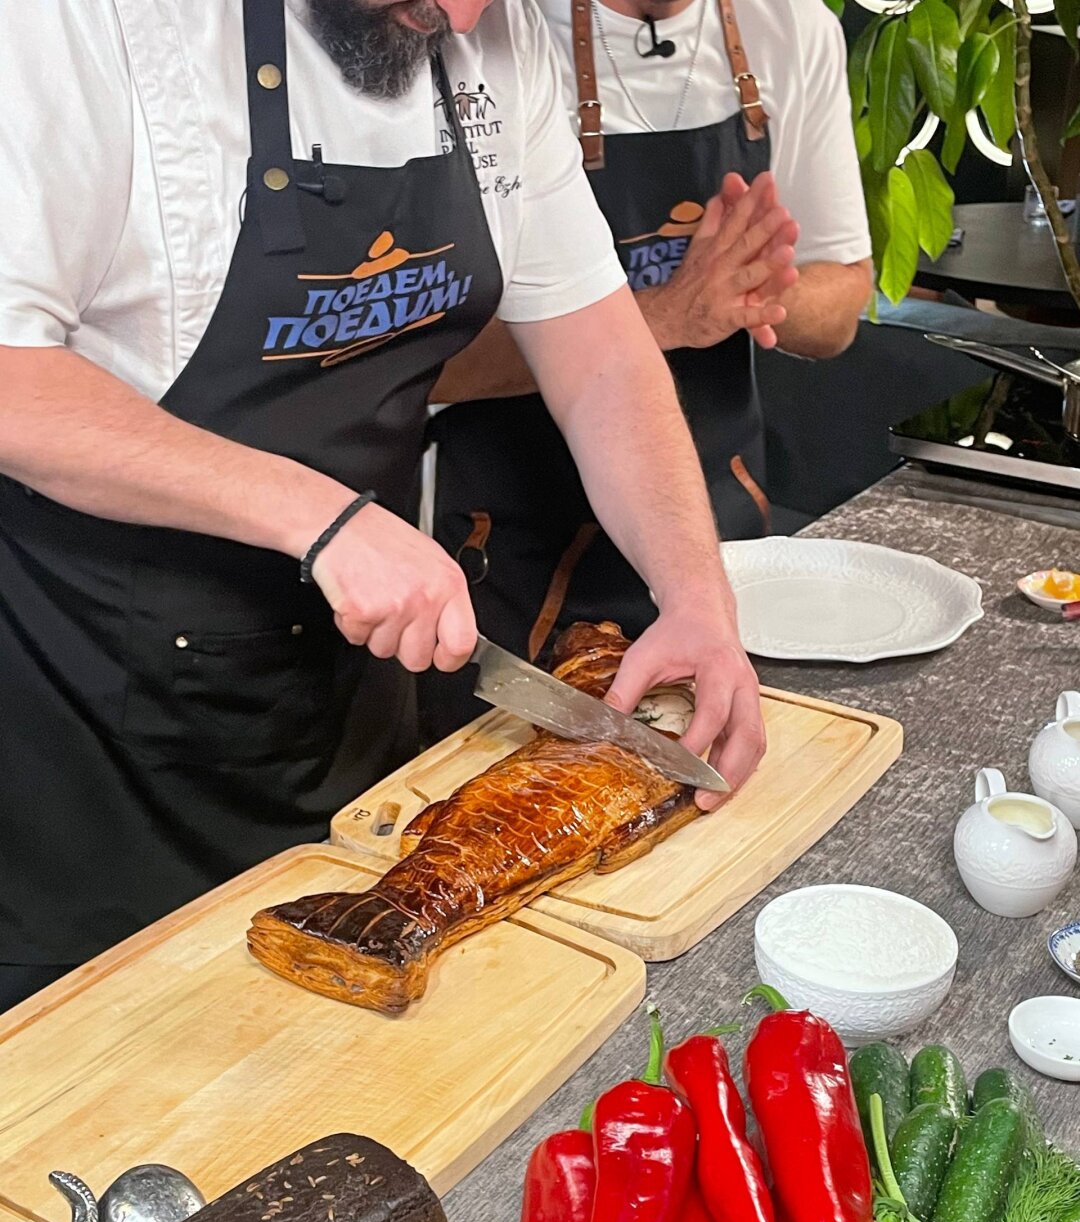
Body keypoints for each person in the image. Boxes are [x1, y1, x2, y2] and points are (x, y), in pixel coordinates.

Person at [0, 0, 770, 1006]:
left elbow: (604, 364)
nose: (464, 12)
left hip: (351, 699)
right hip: (88, 733)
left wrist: (697, 601)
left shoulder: (497, 43)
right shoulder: (79, 27)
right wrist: (318, 517)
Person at [419, 0, 873, 739]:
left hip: (718, 531)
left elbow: (843, 299)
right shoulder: (495, 35)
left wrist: (744, 294)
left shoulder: (794, 29)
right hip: (513, 549)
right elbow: (435, 363)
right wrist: (669, 313)